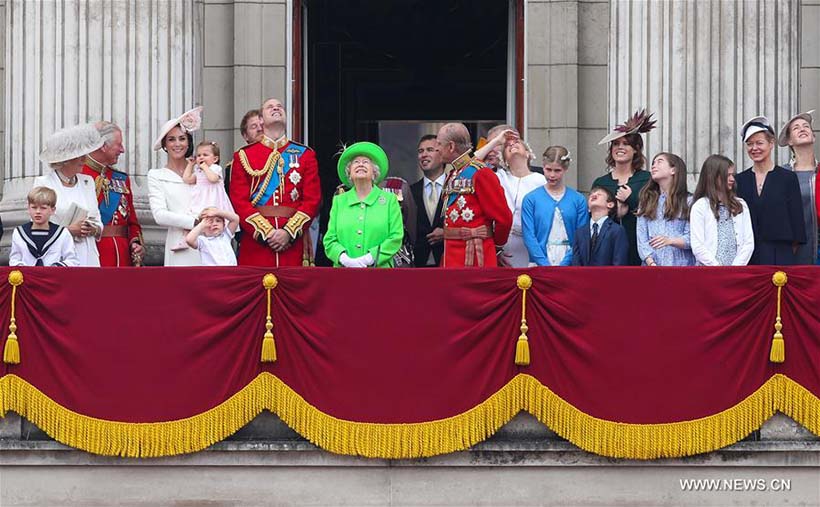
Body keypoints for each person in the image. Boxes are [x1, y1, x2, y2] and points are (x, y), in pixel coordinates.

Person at [229, 97, 321, 266]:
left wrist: (288, 232)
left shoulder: (305, 154)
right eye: (269, 107)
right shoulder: (244, 156)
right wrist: (267, 233)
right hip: (257, 245)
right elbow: (239, 202)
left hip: (292, 243)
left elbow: (312, 200)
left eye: (280, 106)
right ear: (261, 120)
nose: (276, 108)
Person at [437, 123, 512, 267]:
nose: (437, 149)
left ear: (451, 147)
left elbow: (504, 219)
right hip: (451, 255)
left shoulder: (481, 174)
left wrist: (495, 246)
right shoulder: (454, 173)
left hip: (476, 255)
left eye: (439, 144)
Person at [734, 116, 805, 265]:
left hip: (781, 254)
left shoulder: (788, 178)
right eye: (749, 144)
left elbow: (797, 221)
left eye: (759, 143)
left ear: (771, 143)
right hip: (747, 256)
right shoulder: (740, 180)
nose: (754, 148)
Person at [35, 123, 105, 267]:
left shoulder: (88, 182)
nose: (84, 160)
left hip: (89, 257)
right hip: (59, 258)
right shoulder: (44, 184)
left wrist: (93, 228)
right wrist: (67, 231)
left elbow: (98, 220)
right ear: (64, 159)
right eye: (79, 156)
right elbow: (37, 227)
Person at [323, 142, 403, 268]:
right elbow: (330, 240)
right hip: (344, 273)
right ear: (349, 173)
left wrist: (370, 258)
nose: (360, 164)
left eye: (365, 162)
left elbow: (396, 237)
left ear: (374, 172)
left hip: (380, 273)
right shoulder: (339, 201)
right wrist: (345, 259)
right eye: (355, 162)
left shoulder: (389, 201)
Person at [474, 129, 547, 267]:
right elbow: (472, 164)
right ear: (504, 159)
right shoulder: (498, 177)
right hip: (503, 244)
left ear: (528, 154)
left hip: (532, 246)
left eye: (517, 142)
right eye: (507, 146)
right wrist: (496, 141)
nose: (512, 145)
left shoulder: (541, 180)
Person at [595, 109, 656, 265]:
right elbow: (594, 217)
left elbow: (655, 211)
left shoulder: (647, 179)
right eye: (616, 144)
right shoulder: (601, 183)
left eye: (626, 144)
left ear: (635, 149)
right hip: (608, 249)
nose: (620, 147)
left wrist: (631, 200)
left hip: (640, 247)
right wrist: (615, 212)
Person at [81, 121, 144, 266]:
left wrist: (135, 242)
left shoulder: (120, 178)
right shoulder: (79, 174)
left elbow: (132, 221)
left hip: (123, 255)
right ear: (103, 146)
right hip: (93, 251)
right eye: (119, 144)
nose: (122, 150)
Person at [147, 106, 203, 266]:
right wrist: (193, 222)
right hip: (179, 243)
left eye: (182, 138)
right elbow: (159, 215)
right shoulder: (156, 175)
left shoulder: (201, 169)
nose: (177, 144)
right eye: (171, 139)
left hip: (208, 239)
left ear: (188, 142)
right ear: (165, 145)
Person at [520, 145, 587, 266]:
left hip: (570, 258)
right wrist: (543, 263)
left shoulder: (578, 200)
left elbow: (580, 236)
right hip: (539, 259)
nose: (552, 175)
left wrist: (566, 263)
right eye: (548, 169)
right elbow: (529, 235)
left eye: (557, 171)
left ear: (565, 169)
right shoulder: (531, 199)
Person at [690, 155, 754, 266]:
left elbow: (748, 242)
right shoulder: (700, 206)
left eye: (732, 175)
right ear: (713, 176)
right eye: (727, 175)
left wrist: (735, 267)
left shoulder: (740, 204)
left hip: (736, 271)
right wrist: (717, 267)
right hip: (708, 271)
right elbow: (697, 245)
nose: (732, 179)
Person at [636, 153, 695, 266]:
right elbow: (641, 237)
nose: (653, 166)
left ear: (673, 170)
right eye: (653, 163)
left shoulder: (689, 201)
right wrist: (650, 262)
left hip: (682, 267)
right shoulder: (646, 201)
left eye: (659, 161)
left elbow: (693, 238)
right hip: (652, 267)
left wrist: (670, 241)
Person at [779, 110, 820, 264]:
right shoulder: (782, 175)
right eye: (796, 128)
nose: (802, 129)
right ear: (789, 141)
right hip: (793, 253)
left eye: (806, 126)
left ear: (813, 136)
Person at [10, 187, 79, 267]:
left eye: (43, 208)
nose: (38, 212)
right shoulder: (19, 232)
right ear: (28, 208)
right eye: (34, 207)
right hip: (28, 277)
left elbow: (72, 260)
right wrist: (23, 268)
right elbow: (14, 259)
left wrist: (57, 266)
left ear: (52, 210)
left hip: (53, 277)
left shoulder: (62, 233)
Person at [410, 134, 446, 267]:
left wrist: (447, 234)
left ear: (442, 155)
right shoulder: (410, 191)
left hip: (449, 263)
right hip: (418, 266)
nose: (423, 155)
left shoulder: (456, 187)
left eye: (430, 150)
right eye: (420, 151)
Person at [571, 186, 629, 266]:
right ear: (588, 208)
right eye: (591, 195)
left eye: (599, 194)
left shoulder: (617, 230)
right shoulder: (579, 232)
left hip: (608, 277)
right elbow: (576, 263)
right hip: (583, 277)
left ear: (610, 204)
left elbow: (619, 262)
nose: (594, 195)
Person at [224, 109, 264, 194]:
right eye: (254, 126)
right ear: (245, 136)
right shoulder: (235, 165)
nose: (260, 129)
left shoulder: (281, 158)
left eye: (262, 125)